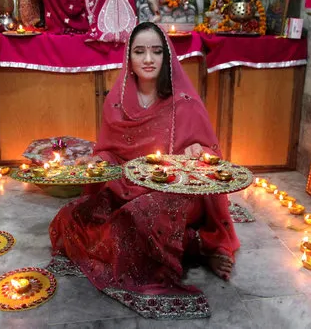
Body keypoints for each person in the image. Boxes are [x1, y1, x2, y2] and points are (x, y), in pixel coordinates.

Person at [48, 22, 240, 319]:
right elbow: (109, 150)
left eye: (156, 52)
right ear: (130, 59)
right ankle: (189, 245)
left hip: (170, 194)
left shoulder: (184, 103)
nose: (148, 59)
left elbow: (211, 155)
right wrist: (98, 161)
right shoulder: (115, 102)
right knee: (72, 217)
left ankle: (200, 245)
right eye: (140, 52)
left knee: (138, 216)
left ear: (167, 58)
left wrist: (197, 152)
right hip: (125, 186)